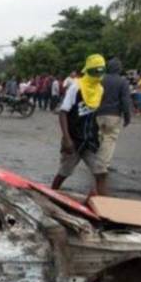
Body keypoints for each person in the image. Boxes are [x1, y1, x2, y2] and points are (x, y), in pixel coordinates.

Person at [51, 54, 107, 195]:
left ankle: (103, 206)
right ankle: (50, 195)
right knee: (64, 173)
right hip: (74, 139)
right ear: (88, 71)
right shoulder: (76, 86)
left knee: (101, 173)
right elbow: (63, 112)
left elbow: (94, 114)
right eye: (95, 72)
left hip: (90, 140)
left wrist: (100, 131)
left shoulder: (100, 89)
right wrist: (67, 139)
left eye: (101, 72)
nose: (98, 75)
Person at [95, 58, 132, 186]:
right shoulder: (122, 82)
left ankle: (97, 161)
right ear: (119, 69)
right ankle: (102, 166)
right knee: (109, 140)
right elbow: (125, 101)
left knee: (100, 138)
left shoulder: (100, 80)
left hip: (98, 114)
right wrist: (127, 116)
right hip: (114, 115)